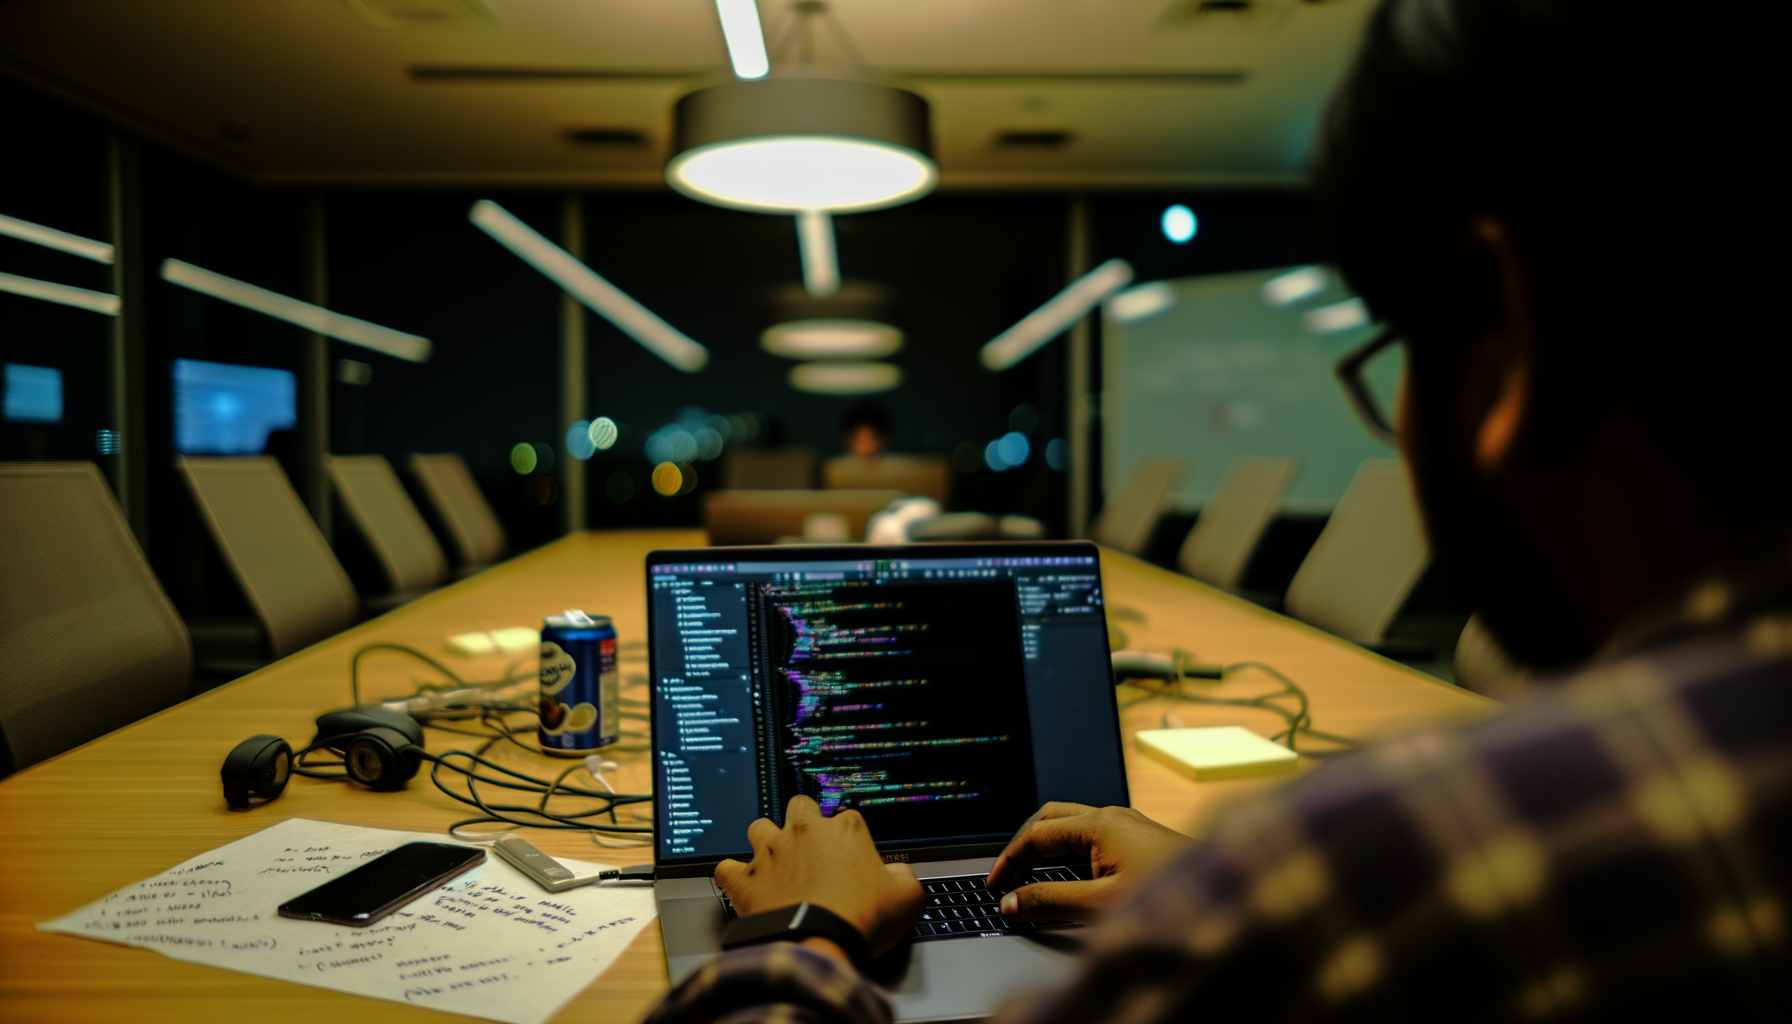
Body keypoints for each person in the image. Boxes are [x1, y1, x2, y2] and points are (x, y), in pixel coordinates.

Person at [646, 1, 1788, 1019]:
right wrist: (1205, 878)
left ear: (1516, 333)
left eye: (1401, 347)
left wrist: (807, 931)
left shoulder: (1419, 864)